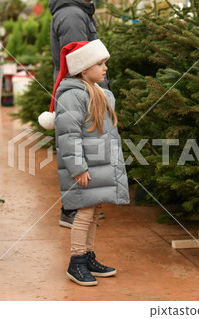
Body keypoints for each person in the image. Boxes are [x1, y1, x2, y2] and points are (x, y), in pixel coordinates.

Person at [38, 40, 129, 286]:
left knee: (94, 210)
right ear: (82, 67)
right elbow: (69, 137)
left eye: (105, 63)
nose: (105, 68)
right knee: (84, 213)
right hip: (84, 169)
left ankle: (88, 256)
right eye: (99, 63)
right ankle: (76, 262)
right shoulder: (72, 97)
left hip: (99, 166)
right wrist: (78, 168)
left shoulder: (100, 93)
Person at [49, 0, 110, 227]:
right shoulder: (72, 15)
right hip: (82, 95)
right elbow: (79, 62)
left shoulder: (78, 11)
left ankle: (81, 205)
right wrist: (96, 96)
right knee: (76, 148)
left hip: (84, 93)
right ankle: (72, 209)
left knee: (84, 149)